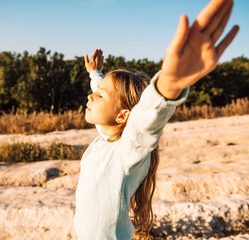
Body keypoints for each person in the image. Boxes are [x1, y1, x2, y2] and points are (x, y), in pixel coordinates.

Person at [74, 0, 239, 239]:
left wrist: (169, 84)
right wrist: (94, 74)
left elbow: (145, 119)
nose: (91, 94)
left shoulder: (128, 149)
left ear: (123, 115)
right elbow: (107, 99)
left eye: (99, 95)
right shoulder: (106, 135)